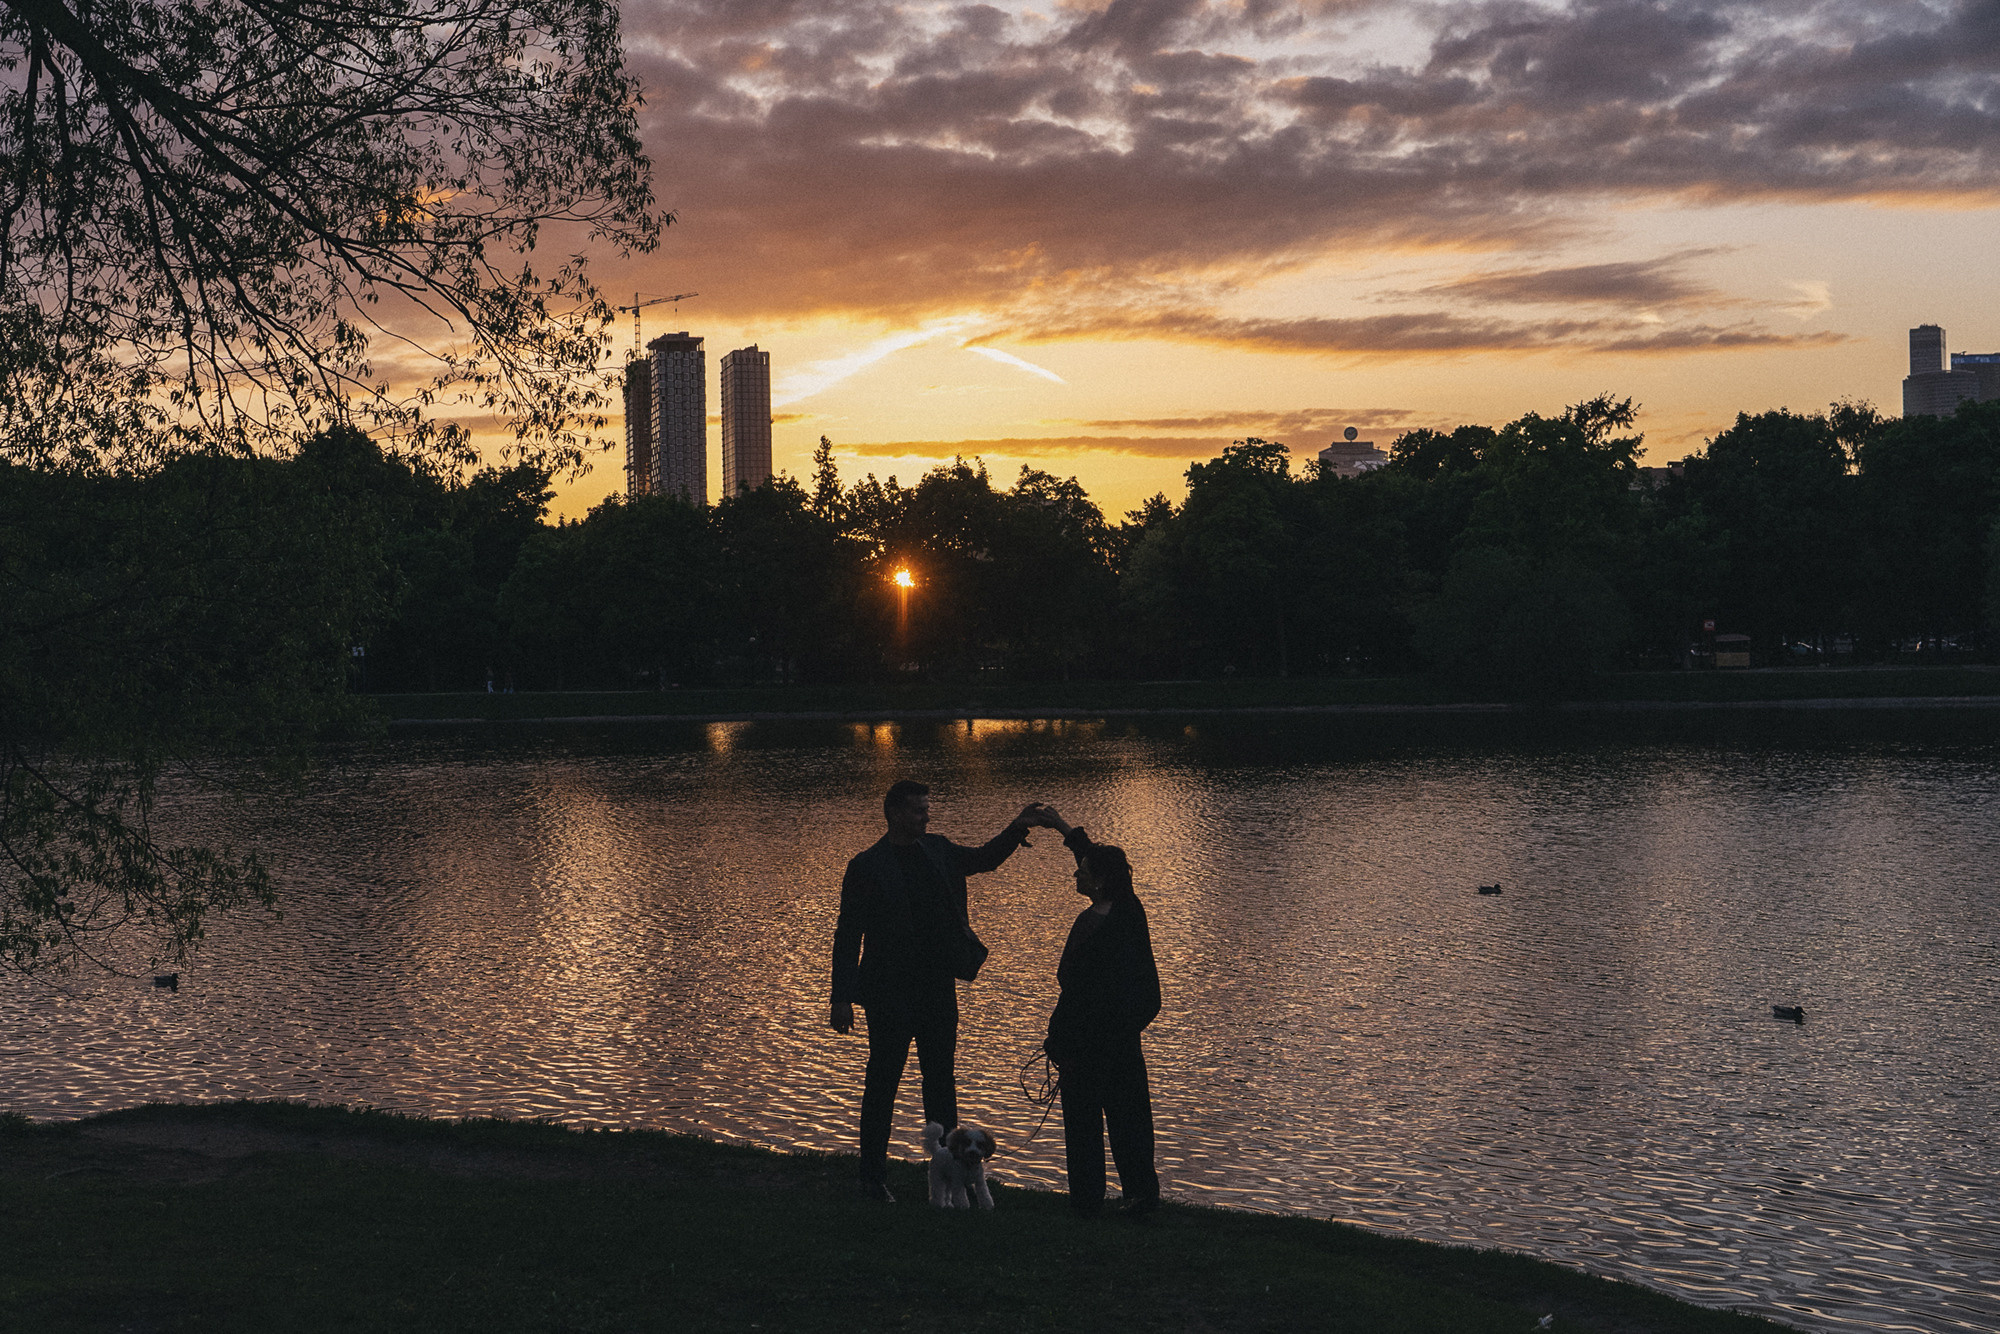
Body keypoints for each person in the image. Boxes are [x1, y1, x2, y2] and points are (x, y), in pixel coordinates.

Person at [830, 780, 1041, 1201]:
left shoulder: (938, 850)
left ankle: (952, 1179)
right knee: (882, 1083)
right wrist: (841, 996)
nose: (926, 817)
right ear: (894, 813)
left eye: (927, 809)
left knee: (941, 1082)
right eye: (918, 810)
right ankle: (872, 1178)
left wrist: (1018, 828)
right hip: (888, 992)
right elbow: (848, 934)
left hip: (936, 988)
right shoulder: (866, 866)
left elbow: (983, 859)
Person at [1033, 805, 1162, 1218]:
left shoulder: (1106, 921)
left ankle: (1095, 1200)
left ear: (1100, 881)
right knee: (1123, 1121)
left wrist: (1062, 1038)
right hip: (1113, 1040)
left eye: (1084, 871)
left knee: (1093, 1123)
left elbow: (1072, 986)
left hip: (1093, 1042)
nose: (1077, 873)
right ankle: (1131, 1197)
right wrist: (1062, 826)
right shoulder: (1128, 910)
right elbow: (1094, 855)